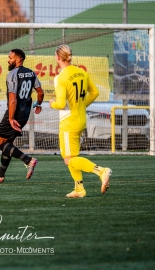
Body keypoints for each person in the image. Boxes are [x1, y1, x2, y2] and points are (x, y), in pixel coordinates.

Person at [49, 44, 112, 198]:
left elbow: (61, 103)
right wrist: (82, 105)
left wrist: (52, 103)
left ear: (57, 57)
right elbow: (95, 92)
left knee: (68, 159)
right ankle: (79, 189)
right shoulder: (81, 72)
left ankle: (101, 171)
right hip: (81, 118)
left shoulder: (60, 78)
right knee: (73, 156)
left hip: (68, 121)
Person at [0, 49, 44, 183]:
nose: (8, 60)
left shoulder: (12, 74)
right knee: (8, 143)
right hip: (25, 114)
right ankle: (0, 174)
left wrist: (11, 118)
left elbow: (12, 99)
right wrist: (38, 104)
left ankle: (29, 160)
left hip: (14, 113)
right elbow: (40, 92)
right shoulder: (31, 73)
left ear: (18, 59)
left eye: (10, 58)